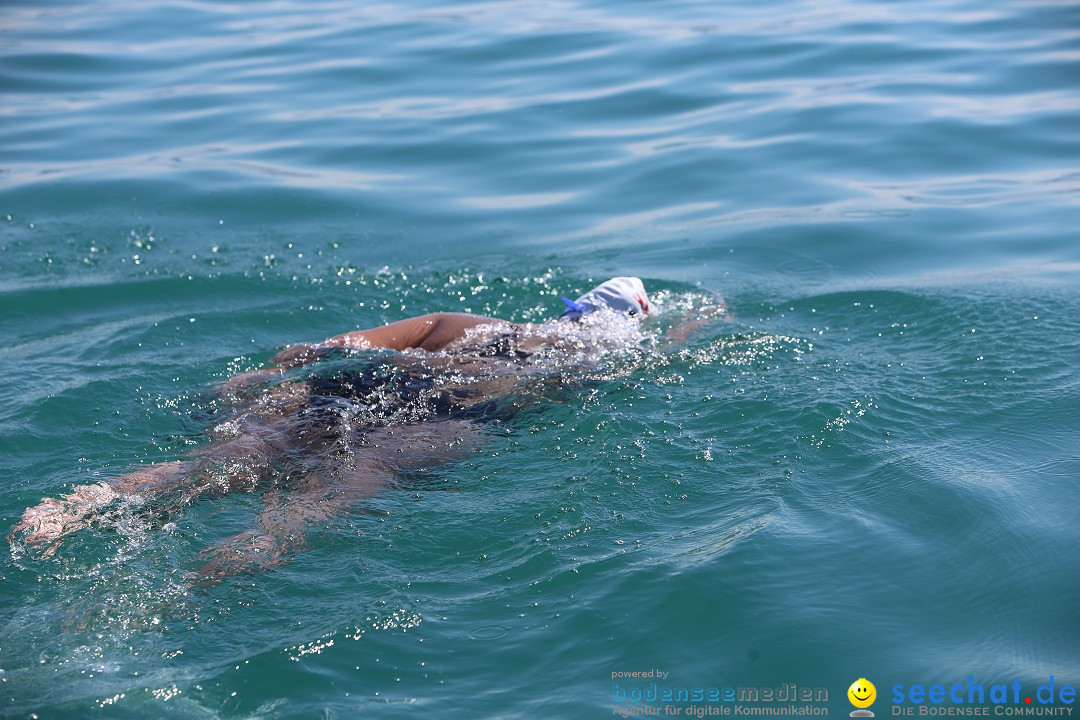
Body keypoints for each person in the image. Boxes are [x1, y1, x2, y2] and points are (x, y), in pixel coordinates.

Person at [10, 277, 660, 579]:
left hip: (359, 387)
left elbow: (323, 346)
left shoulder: (465, 322)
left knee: (230, 458)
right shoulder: (592, 357)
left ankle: (80, 506)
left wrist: (259, 381)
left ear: (571, 305)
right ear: (622, 324)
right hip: (449, 415)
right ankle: (209, 578)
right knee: (325, 498)